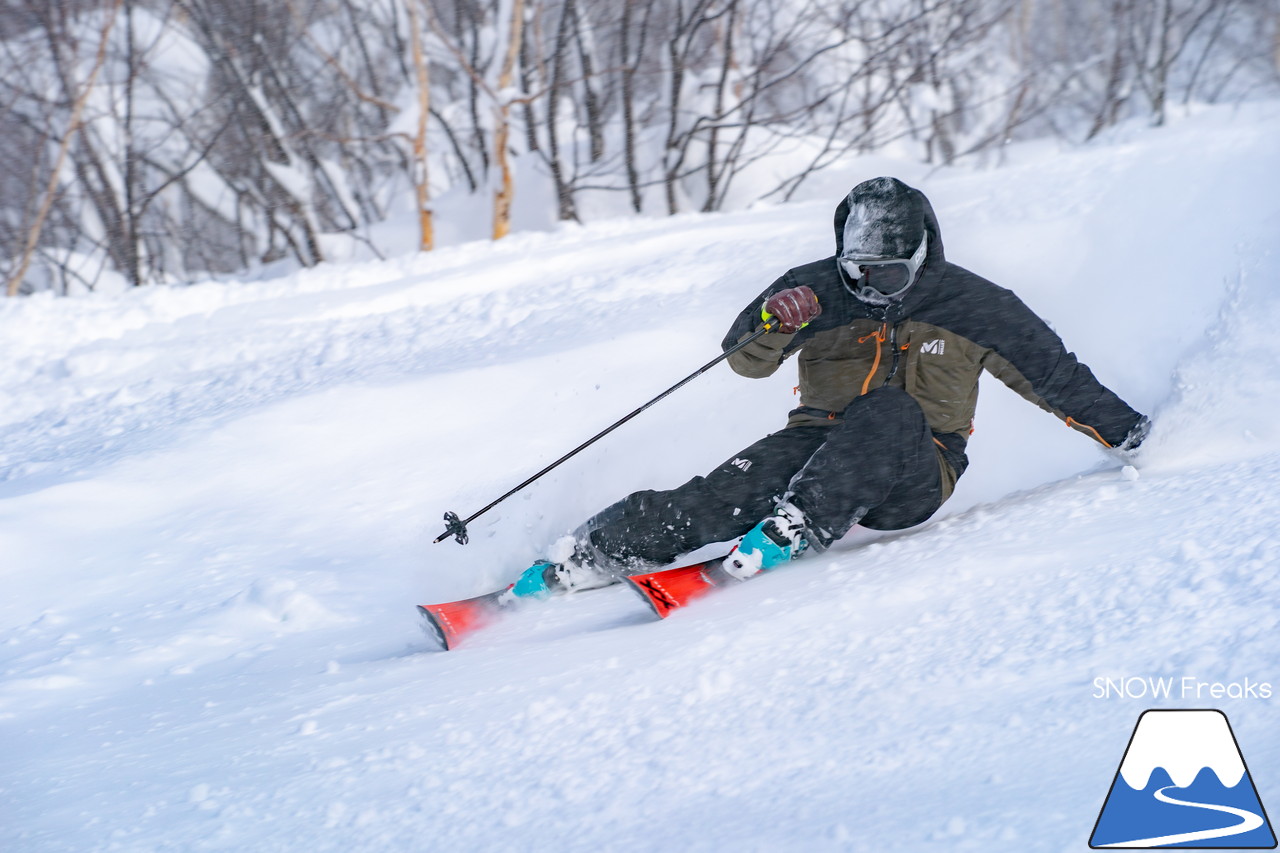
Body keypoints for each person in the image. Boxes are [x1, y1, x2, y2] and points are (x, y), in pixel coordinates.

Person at [509, 176, 1149, 599]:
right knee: (715, 496)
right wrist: (771, 320)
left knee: (891, 410)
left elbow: (1059, 380)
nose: (870, 288)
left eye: (888, 275)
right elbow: (744, 362)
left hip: (914, 471)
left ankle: (793, 528)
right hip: (814, 445)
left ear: (922, 258)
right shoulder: (814, 289)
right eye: (856, 273)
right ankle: (582, 556)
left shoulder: (977, 306)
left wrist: (1142, 441)